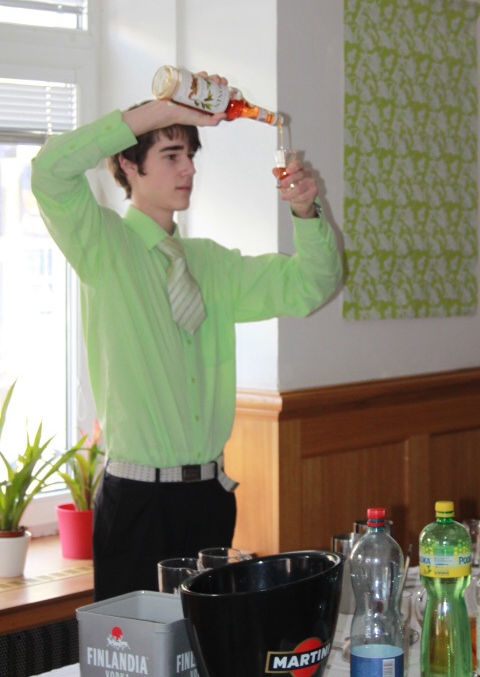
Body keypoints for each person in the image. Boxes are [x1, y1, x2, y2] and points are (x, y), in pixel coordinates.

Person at [31, 72, 343, 601]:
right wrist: (165, 110)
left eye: (191, 155)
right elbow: (50, 170)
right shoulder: (103, 245)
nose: (189, 169)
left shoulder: (211, 264)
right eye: (172, 154)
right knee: (140, 645)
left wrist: (305, 211)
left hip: (210, 499)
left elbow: (312, 284)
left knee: (207, 644)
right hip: (136, 501)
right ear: (129, 164)